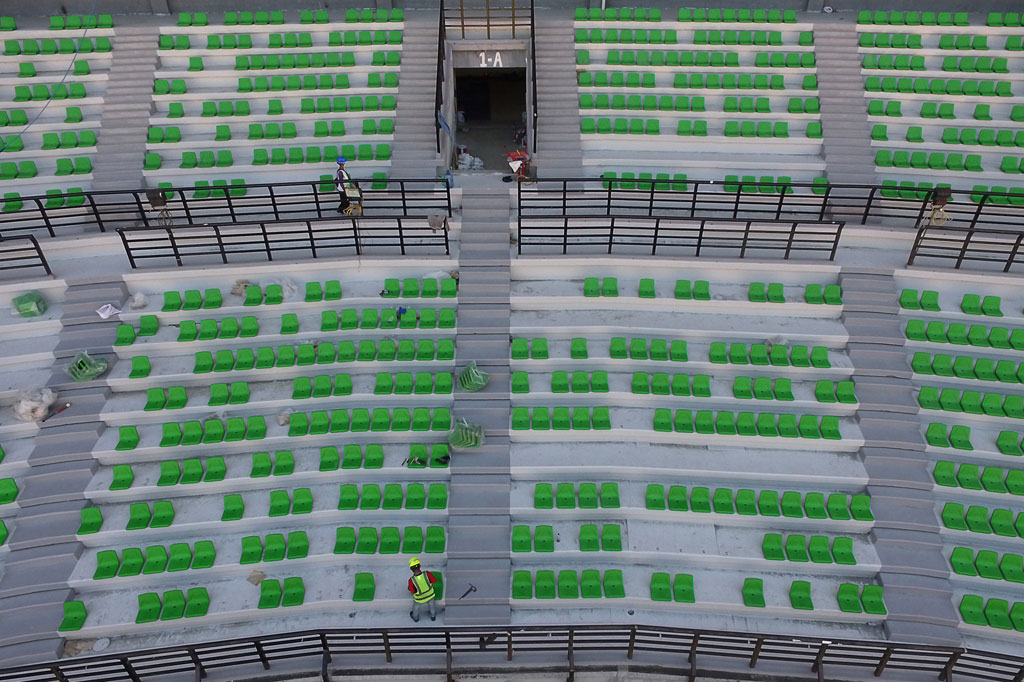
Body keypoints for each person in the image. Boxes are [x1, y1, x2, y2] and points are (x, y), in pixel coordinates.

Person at [407, 557, 438, 622]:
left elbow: (413, 591)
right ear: (420, 566)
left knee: (416, 608)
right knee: (432, 606)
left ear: (411, 569)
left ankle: (415, 618)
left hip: (419, 599)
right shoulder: (427, 574)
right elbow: (434, 581)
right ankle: (433, 616)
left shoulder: (411, 580)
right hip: (430, 595)